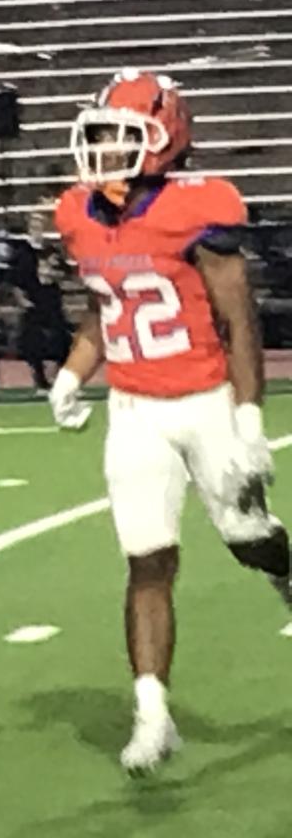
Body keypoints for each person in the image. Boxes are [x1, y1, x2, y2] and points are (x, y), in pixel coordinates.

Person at [47, 70, 291, 774]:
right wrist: (72, 372)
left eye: (119, 136)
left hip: (205, 398)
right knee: (147, 560)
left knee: (247, 537)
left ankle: (285, 572)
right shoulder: (79, 213)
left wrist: (249, 423)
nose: (102, 151)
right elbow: (106, 305)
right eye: (98, 135)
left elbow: (240, 323)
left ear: (163, 141)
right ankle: (152, 713)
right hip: (134, 409)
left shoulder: (199, 211)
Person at [12, 207, 72, 393]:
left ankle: (62, 378)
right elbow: (14, 279)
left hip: (51, 300)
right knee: (33, 343)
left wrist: (54, 274)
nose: (37, 229)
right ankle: (40, 380)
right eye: (33, 225)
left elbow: (66, 273)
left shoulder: (51, 250)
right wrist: (21, 298)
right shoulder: (21, 251)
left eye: (40, 225)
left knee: (62, 340)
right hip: (33, 300)